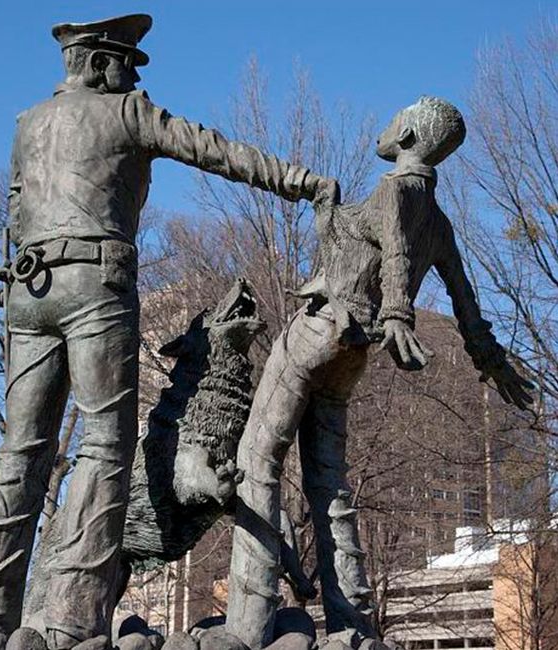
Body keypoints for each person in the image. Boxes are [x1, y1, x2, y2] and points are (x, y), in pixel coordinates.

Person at [0, 14, 333, 650]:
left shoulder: (27, 124)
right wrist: (303, 182)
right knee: (104, 443)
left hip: (28, 288)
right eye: (128, 64)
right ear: (103, 63)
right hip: (95, 285)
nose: (132, 76)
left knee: (20, 450)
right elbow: (214, 149)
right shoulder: (126, 112)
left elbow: (16, 211)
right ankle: (72, 618)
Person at [226, 96, 533, 649]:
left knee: (256, 459)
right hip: (354, 352)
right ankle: (353, 623)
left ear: (411, 134)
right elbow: (466, 303)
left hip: (320, 330)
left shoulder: (393, 190)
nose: (386, 124)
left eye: (396, 118)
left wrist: (397, 311)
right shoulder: (439, 221)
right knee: (330, 483)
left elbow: (393, 249)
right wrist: (490, 361)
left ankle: (246, 626)